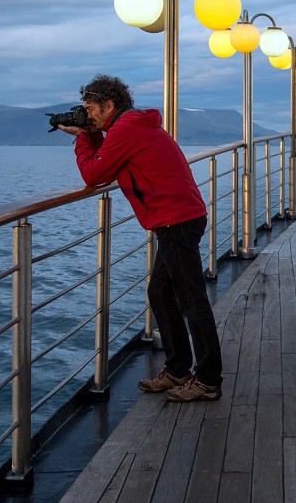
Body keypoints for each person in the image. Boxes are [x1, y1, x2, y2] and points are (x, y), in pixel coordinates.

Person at [59, 74, 222, 402]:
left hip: (176, 220)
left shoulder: (125, 130)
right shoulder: (132, 126)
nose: (87, 115)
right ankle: (178, 369)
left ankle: (207, 380)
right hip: (179, 217)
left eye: (90, 109)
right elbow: (108, 164)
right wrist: (92, 136)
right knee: (161, 294)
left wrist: (81, 138)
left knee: (191, 301)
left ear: (109, 105)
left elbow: (94, 174)